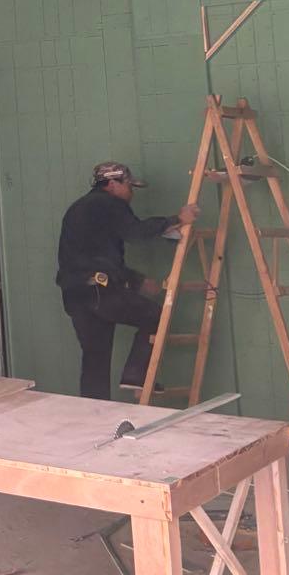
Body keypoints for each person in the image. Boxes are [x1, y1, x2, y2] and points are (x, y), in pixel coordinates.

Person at [56, 162, 198, 400]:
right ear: (112, 184)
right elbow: (135, 232)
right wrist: (178, 219)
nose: (132, 193)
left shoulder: (79, 208)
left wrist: (136, 281)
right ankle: (136, 375)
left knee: (95, 359)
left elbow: (97, 257)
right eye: (129, 186)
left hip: (76, 294)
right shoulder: (109, 203)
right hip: (101, 293)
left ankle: (93, 413)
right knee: (156, 315)